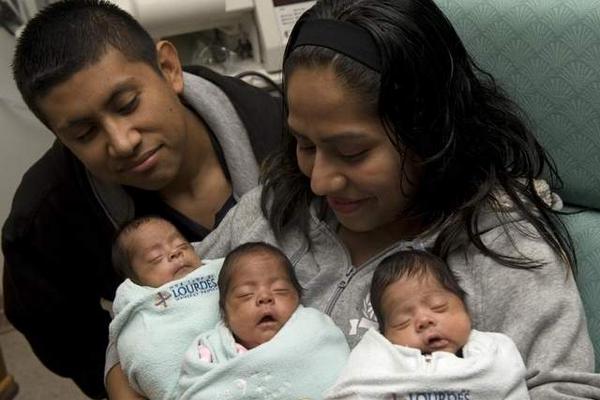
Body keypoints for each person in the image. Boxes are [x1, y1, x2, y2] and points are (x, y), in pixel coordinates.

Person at [190, 0, 599, 398]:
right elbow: (157, 300)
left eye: (352, 153)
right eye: (305, 144)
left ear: (428, 135)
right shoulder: (275, 209)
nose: (318, 181)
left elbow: (566, 390)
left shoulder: (501, 250)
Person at [1, 0, 282, 397]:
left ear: (169, 69)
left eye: (127, 105)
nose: (122, 142)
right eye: (84, 134)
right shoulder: (45, 221)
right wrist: (129, 373)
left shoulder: (283, 134)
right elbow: (58, 333)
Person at [325, 250, 530, 399]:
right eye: (402, 321)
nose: (424, 321)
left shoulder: (493, 352)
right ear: (384, 334)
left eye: (438, 307)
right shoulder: (377, 357)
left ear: (466, 309)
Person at [176, 241, 350, 399]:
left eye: (280, 290)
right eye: (246, 294)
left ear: (298, 299)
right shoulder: (208, 352)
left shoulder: (316, 331)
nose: (265, 297)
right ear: (224, 313)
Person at [109, 216, 224, 400]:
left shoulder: (218, 270)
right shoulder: (140, 305)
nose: (175, 253)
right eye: (156, 258)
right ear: (135, 282)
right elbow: (143, 350)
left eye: (182, 245)